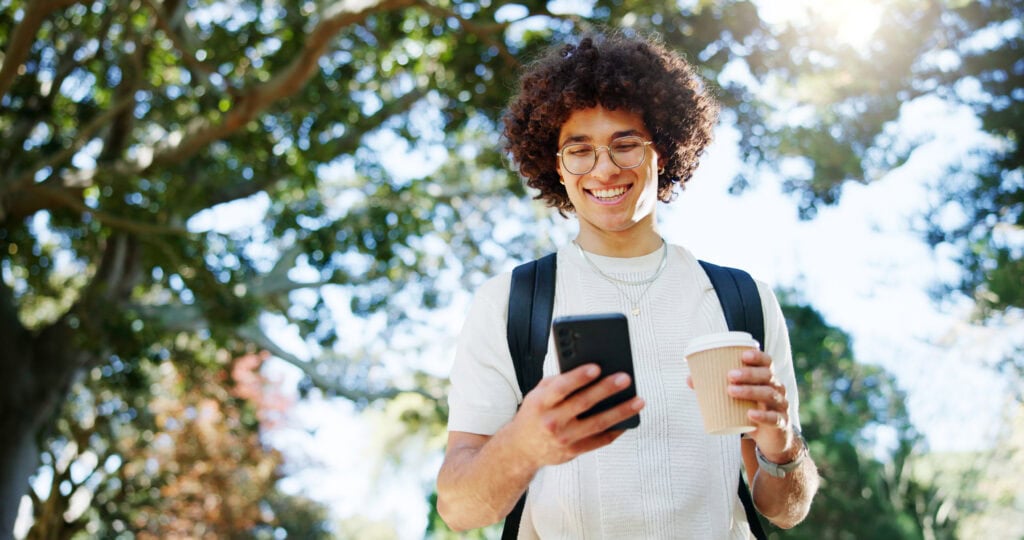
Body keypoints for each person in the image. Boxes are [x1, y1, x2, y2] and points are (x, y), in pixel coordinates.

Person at [436, 31, 819, 539]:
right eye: (580, 150)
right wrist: (524, 443)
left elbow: (786, 510)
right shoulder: (510, 304)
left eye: (625, 144)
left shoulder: (742, 301)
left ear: (664, 150)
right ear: (557, 167)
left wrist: (780, 441)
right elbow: (460, 509)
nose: (604, 168)